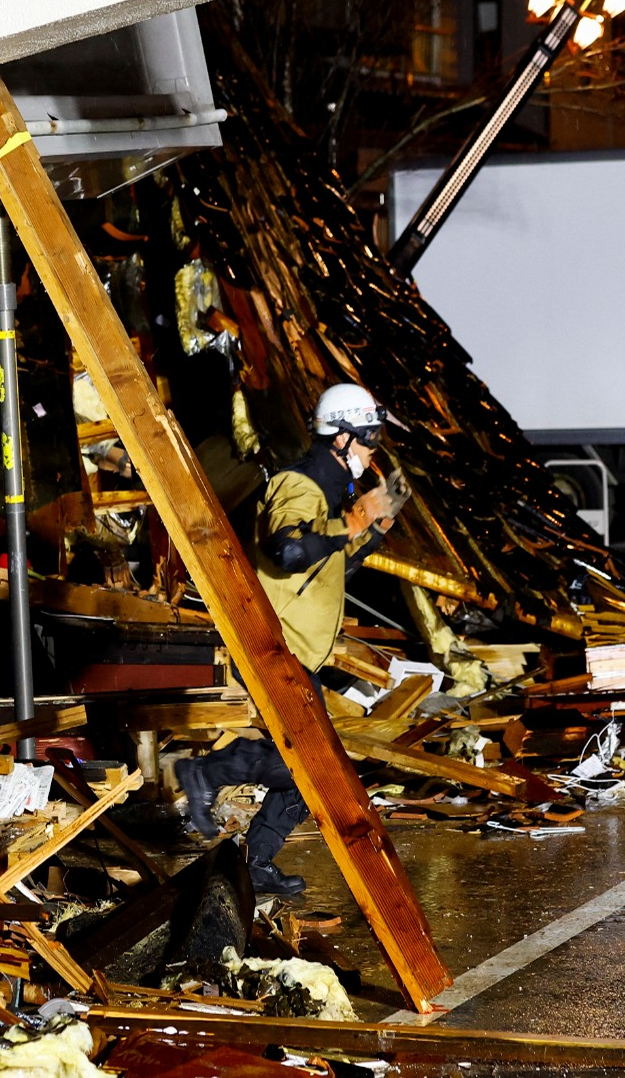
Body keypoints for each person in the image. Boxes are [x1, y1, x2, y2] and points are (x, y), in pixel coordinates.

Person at [175, 383, 409, 897]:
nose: (374, 453)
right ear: (342, 438)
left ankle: (255, 862)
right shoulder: (298, 485)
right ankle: (205, 772)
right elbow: (285, 551)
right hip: (273, 650)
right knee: (305, 764)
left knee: (322, 771)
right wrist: (352, 523)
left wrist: (373, 529)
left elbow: (329, 564)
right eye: (369, 440)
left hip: (299, 653)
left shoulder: (328, 498)